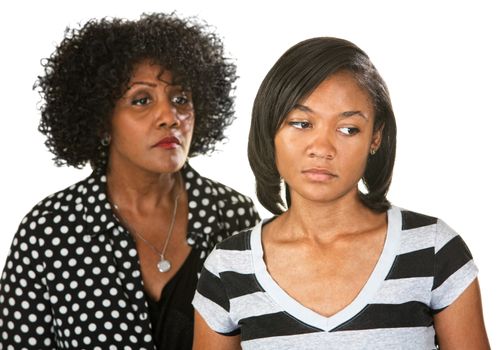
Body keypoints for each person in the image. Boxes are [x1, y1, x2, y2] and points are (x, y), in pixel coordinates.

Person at [192, 37, 490, 349]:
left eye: (348, 129)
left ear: (375, 137)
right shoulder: (228, 268)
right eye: (302, 123)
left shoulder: (433, 250)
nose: (321, 148)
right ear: (271, 130)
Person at [0, 12, 260, 349]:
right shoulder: (49, 229)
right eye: (141, 100)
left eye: (181, 99)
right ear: (101, 121)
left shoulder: (233, 216)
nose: (170, 117)